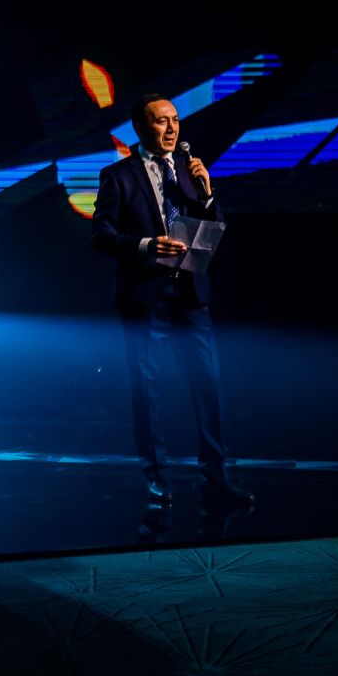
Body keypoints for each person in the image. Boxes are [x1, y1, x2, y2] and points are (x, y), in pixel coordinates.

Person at [92, 93, 253, 509]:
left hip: (191, 295)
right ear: (141, 127)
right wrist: (146, 245)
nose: (171, 128)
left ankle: (216, 478)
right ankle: (157, 481)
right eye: (161, 121)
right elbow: (101, 236)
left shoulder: (189, 169)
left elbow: (214, 227)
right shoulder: (118, 175)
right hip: (145, 298)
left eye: (175, 120)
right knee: (148, 391)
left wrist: (208, 195)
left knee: (208, 386)